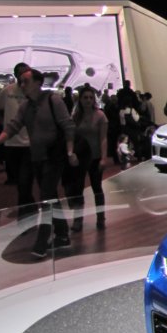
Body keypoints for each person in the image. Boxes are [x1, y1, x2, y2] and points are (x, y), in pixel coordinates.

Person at [0, 68, 77, 258]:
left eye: (26, 81)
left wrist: (70, 152)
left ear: (38, 82)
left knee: (46, 197)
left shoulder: (53, 100)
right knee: (50, 196)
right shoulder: (26, 106)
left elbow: (68, 126)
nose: (22, 85)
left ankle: (42, 241)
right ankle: (62, 234)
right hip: (37, 157)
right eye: (21, 81)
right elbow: (13, 126)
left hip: (54, 157)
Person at [0, 62, 36, 216]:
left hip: (30, 144)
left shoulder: (34, 93)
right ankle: (29, 206)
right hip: (11, 143)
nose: (24, 77)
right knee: (19, 180)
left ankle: (25, 210)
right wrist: (2, 123)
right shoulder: (8, 91)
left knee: (25, 180)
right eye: (21, 74)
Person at [64, 85, 108, 232]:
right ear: (80, 99)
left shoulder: (100, 116)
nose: (88, 100)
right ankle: (78, 219)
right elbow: (71, 136)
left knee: (97, 188)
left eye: (90, 97)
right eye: (85, 98)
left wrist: (103, 158)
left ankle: (101, 217)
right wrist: (71, 153)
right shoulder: (75, 116)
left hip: (95, 157)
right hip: (80, 158)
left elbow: (103, 138)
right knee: (78, 188)